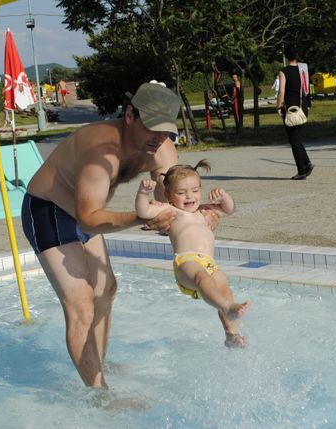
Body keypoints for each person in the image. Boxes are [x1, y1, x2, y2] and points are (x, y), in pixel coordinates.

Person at [22, 82, 218, 389]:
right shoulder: (102, 150)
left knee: (106, 290)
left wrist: (198, 220)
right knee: (81, 303)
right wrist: (139, 217)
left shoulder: (162, 148)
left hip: (87, 213)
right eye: (152, 127)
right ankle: (99, 395)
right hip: (49, 209)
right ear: (129, 115)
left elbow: (172, 201)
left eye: (165, 130)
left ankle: (97, 364)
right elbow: (89, 219)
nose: (159, 137)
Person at [135, 160, 250, 348]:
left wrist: (224, 196)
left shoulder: (205, 210)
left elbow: (229, 209)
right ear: (168, 195)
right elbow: (143, 210)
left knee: (224, 289)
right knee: (202, 278)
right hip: (186, 262)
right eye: (181, 193)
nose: (189, 196)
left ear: (201, 189)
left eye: (195, 190)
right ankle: (228, 308)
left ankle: (232, 334)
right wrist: (142, 192)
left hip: (209, 263)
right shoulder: (170, 210)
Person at [276, 45, 313, 180]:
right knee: (298, 138)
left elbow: (281, 91)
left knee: (294, 141)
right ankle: (307, 164)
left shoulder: (283, 72)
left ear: (286, 56)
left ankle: (301, 171)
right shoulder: (303, 69)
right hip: (302, 107)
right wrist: (308, 104)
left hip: (291, 109)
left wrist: (278, 106)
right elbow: (306, 88)